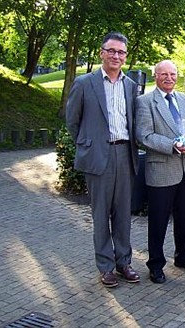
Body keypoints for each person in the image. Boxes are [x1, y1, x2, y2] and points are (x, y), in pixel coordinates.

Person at [65, 32, 140, 288]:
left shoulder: (130, 86)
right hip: (99, 156)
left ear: (125, 56)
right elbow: (72, 121)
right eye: (112, 51)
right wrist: (90, 144)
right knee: (100, 215)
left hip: (124, 154)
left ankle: (124, 262)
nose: (116, 56)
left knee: (123, 214)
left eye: (121, 52)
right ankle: (106, 267)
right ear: (102, 52)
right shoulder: (85, 83)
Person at [135, 60, 185, 284]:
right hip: (161, 170)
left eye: (172, 74)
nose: (168, 78)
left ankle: (183, 257)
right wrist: (172, 145)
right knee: (158, 221)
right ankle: (155, 264)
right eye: (163, 74)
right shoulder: (145, 102)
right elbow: (144, 135)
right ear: (155, 76)